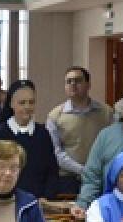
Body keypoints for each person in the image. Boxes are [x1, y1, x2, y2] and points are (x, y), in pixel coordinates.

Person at [44, 66, 112, 197]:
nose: (73, 84)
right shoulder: (55, 115)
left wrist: (95, 170)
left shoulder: (106, 112)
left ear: (88, 84)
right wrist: (82, 170)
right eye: (68, 81)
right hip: (68, 179)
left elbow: (112, 144)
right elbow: (56, 152)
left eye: (78, 80)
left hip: (99, 177)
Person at [0, 78, 58, 201]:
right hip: (6, 200)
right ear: (11, 104)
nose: (27, 107)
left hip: (39, 201)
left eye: (31, 102)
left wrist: (47, 196)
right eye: (22, 102)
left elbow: (52, 171)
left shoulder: (43, 133)